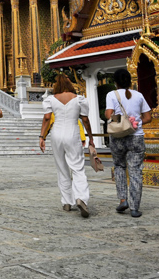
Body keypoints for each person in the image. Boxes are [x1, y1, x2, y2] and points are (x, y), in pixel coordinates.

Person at [39, 74, 94, 218]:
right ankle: (81, 198)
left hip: (56, 133)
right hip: (72, 132)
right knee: (77, 167)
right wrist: (91, 137)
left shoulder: (51, 99)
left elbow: (46, 118)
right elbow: (85, 120)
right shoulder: (79, 99)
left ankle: (67, 201)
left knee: (62, 167)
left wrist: (41, 137)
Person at [105, 69, 152, 218]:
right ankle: (134, 208)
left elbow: (108, 115)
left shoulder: (112, 94)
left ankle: (123, 199)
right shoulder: (139, 95)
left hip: (118, 136)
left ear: (116, 82)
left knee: (119, 166)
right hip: (136, 136)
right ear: (130, 81)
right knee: (135, 170)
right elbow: (148, 117)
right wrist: (135, 123)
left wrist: (122, 121)